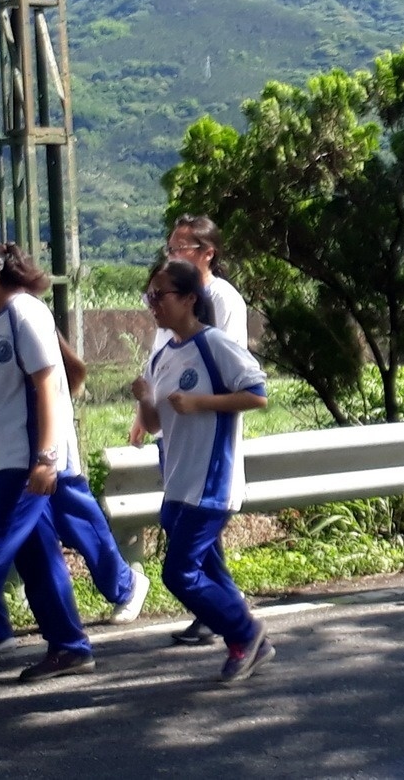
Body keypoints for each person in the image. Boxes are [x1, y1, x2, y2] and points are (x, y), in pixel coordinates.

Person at [131, 259, 273, 683]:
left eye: (161, 295)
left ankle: (244, 632)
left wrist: (200, 404)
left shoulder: (214, 345)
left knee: (179, 574)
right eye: (149, 297)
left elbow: (257, 395)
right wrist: (144, 399)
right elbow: (156, 424)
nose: (153, 304)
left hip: (211, 482)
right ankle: (251, 641)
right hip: (178, 482)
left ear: (190, 298)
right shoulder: (162, 356)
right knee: (209, 571)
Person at [131, 214, 248, 646]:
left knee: (192, 529)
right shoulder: (169, 301)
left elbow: (231, 370)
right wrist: (145, 410)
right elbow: (162, 361)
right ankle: (221, 607)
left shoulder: (220, 299)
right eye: (171, 247)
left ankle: (224, 610)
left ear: (207, 252)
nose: (174, 254)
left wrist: (195, 401)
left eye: (182, 247)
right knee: (179, 523)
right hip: (172, 429)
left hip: (202, 432)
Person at [0, 242, 95, 681]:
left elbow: (49, 385)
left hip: (25, 461)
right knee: (37, 556)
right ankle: (70, 646)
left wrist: (47, 459)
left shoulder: (23, 312)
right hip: (5, 459)